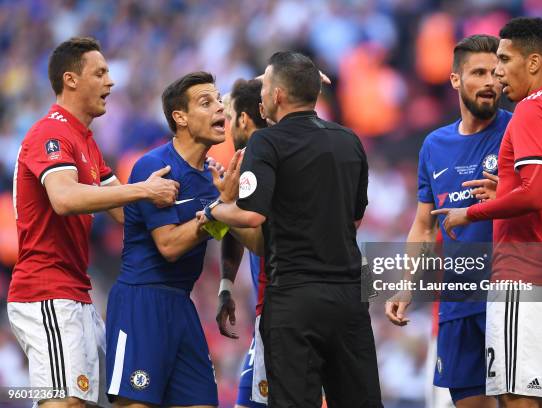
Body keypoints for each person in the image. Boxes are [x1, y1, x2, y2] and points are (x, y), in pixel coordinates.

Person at [197, 51, 382, 407]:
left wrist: (216, 209)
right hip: (348, 297)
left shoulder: (266, 143)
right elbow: (355, 218)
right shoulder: (349, 140)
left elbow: (250, 217)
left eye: (266, 85)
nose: (262, 92)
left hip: (294, 298)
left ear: (278, 95)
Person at [433, 17, 542, 407]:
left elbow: (534, 195)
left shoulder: (531, 110)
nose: (499, 72)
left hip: (520, 276)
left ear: (535, 62)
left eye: (505, 59)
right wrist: (508, 191)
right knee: (541, 399)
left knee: (514, 396)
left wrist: (470, 214)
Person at [7, 37, 178, 408]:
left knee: (99, 401)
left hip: (76, 292)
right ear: (70, 80)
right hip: (45, 291)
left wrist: (203, 209)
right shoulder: (50, 132)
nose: (110, 82)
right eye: (100, 73)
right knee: (66, 401)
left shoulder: (84, 141)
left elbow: (123, 212)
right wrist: (143, 190)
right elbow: (65, 198)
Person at [104, 71, 242, 407]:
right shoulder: (154, 168)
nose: (219, 111)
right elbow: (169, 246)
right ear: (179, 117)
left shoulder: (213, 179)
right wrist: (216, 211)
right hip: (141, 302)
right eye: (205, 103)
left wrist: (226, 283)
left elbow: (225, 228)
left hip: (182, 304)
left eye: (219, 102)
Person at [386, 34, 508, 408]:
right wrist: (406, 286)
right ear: (455, 79)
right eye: (479, 72)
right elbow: (424, 226)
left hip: (508, 298)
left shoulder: (517, 132)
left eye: (496, 72)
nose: (490, 81)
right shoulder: (434, 146)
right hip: (456, 304)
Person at [216, 78, 269, 408]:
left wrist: (218, 209)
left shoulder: (260, 162)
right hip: (276, 312)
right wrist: (226, 283)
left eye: (228, 114)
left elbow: (260, 239)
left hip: (284, 308)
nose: (222, 120)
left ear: (245, 120)